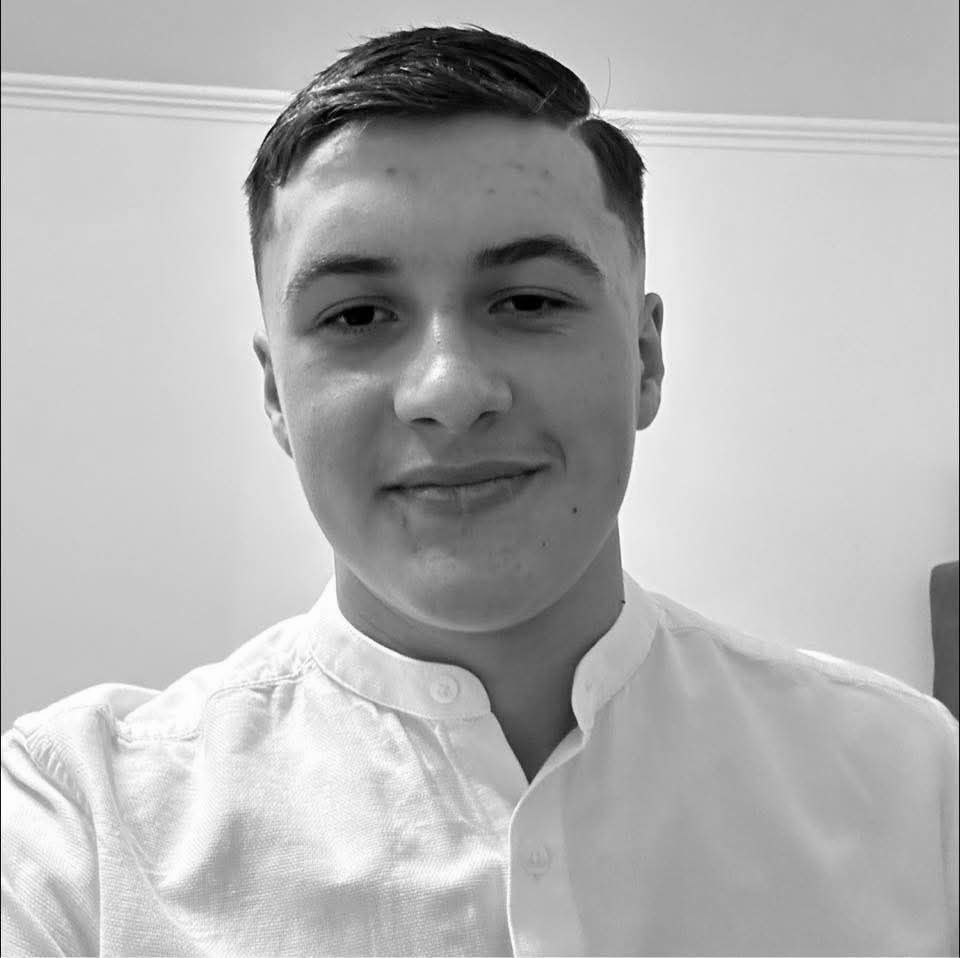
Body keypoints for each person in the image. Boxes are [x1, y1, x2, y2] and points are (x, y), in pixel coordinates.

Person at [1, 23, 957, 957]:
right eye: (357, 316)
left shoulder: (915, 779)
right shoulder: (78, 824)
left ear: (646, 359)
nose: (449, 392)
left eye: (529, 301)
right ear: (277, 397)